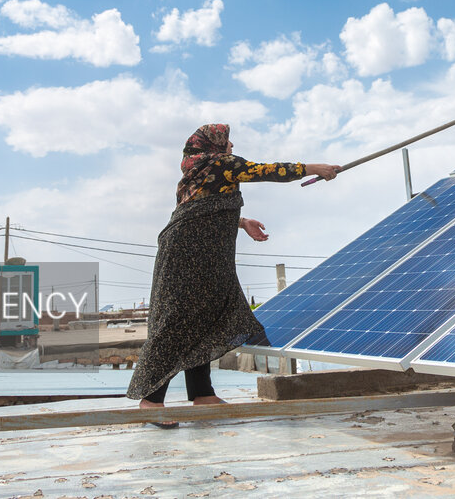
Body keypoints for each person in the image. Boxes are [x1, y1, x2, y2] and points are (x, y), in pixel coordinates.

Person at [125, 123, 340, 425]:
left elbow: (201, 208)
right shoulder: (219, 164)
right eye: (227, 140)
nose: (232, 144)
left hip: (203, 255)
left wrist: (241, 222)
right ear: (214, 145)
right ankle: (151, 400)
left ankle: (202, 394)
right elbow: (267, 170)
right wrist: (314, 167)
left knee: (206, 319)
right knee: (177, 320)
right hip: (190, 256)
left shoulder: (198, 172)